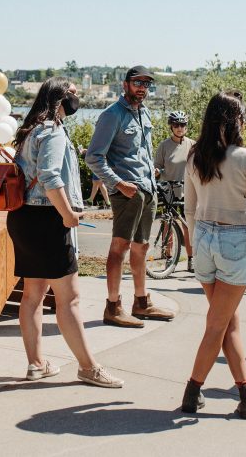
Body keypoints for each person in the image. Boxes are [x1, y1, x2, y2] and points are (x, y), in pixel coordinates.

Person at [7, 77, 123, 389]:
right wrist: (68, 214)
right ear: (59, 99)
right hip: (47, 220)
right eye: (73, 93)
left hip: (22, 218)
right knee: (69, 299)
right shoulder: (53, 131)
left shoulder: (28, 130)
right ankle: (88, 367)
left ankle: (36, 364)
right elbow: (49, 177)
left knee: (32, 295)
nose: (77, 98)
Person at [180, 92, 246, 419]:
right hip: (235, 239)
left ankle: (245, 390)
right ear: (235, 120)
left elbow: (190, 208)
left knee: (227, 322)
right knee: (218, 324)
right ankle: (193, 390)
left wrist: (195, 247)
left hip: (204, 240)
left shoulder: (196, 155)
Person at [86, 66, 174, 327]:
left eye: (147, 84)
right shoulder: (111, 115)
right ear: (125, 85)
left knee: (142, 247)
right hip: (127, 193)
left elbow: (139, 152)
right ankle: (113, 307)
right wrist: (118, 184)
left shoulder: (144, 113)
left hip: (147, 190)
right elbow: (94, 157)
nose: (142, 88)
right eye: (137, 83)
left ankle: (141, 302)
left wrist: (152, 171)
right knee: (119, 248)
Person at [154, 111, 195, 272]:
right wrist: (155, 171)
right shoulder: (164, 146)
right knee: (167, 225)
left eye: (182, 125)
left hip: (187, 189)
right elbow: (157, 165)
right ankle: (169, 258)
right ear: (171, 126)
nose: (179, 128)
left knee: (188, 226)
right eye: (176, 125)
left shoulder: (193, 145)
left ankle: (191, 260)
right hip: (168, 189)